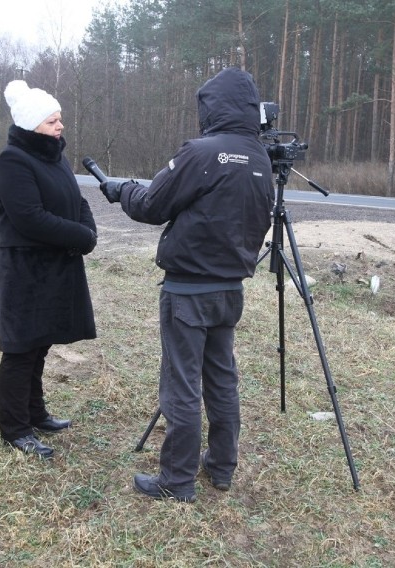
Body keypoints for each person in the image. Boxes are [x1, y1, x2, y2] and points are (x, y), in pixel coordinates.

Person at [98, 67, 274, 501]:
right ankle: (220, 468)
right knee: (221, 380)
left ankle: (176, 481)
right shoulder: (261, 158)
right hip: (229, 290)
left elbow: (153, 205)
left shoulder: (201, 152)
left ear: (211, 107)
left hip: (188, 292)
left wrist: (123, 191)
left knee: (180, 385)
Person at [0, 79, 98, 458]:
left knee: (41, 345)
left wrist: (88, 228)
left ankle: (36, 414)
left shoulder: (56, 158)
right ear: (32, 124)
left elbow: (77, 200)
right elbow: (29, 218)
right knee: (21, 349)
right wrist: (81, 237)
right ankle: (15, 429)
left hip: (56, 267)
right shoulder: (13, 161)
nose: (60, 126)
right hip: (26, 271)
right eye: (53, 121)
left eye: (59, 119)